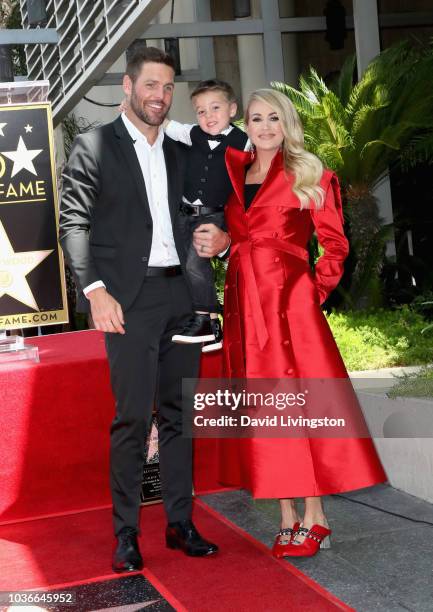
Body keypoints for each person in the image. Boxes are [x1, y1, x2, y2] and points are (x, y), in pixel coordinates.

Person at [59, 46, 228, 572]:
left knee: (180, 415)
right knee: (133, 419)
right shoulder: (93, 146)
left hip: (183, 296)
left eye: (168, 87)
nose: (160, 96)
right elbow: (73, 223)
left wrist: (221, 236)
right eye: (151, 85)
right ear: (127, 87)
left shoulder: (181, 147)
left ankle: (180, 524)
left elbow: (216, 198)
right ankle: (127, 535)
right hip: (127, 301)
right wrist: (95, 291)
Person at [214, 89, 386, 558]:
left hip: (291, 311)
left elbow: (335, 245)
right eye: (256, 118)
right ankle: (286, 514)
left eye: (274, 117)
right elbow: (241, 237)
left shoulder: (311, 173)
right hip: (243, 308)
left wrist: (312, 294)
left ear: (287, 122)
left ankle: (316, 515)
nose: (265, 126)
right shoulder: (233, 173)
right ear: (244, 124)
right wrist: (223, 243)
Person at [165, 79, 249, 352]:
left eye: (215, 108)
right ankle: (212, 326)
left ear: (232, 109)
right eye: (201, 111)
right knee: (184, 264)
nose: (208, 116)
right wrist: (130, 113)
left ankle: (204, 319)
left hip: (212, 215)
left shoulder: (245, 142)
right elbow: (166, 125)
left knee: (195, 263)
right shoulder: (192, 134)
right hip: (184, 213)